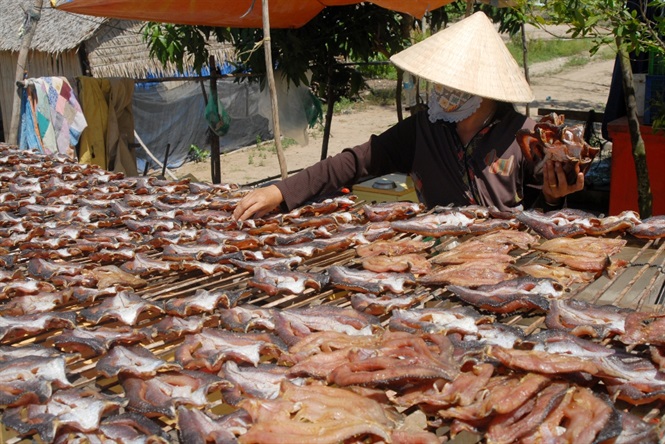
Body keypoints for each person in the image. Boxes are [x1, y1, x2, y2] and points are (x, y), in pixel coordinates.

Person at [233, 11, 584, 222]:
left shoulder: (524, 136)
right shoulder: (424, 129)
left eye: (453, 83)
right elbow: (354, 162)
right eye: (439, 81)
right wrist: (281, 191)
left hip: (501, 263)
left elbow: (545, 216)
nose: (441, 90)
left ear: (483, 88)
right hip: (435, 257)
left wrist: (555, 198)